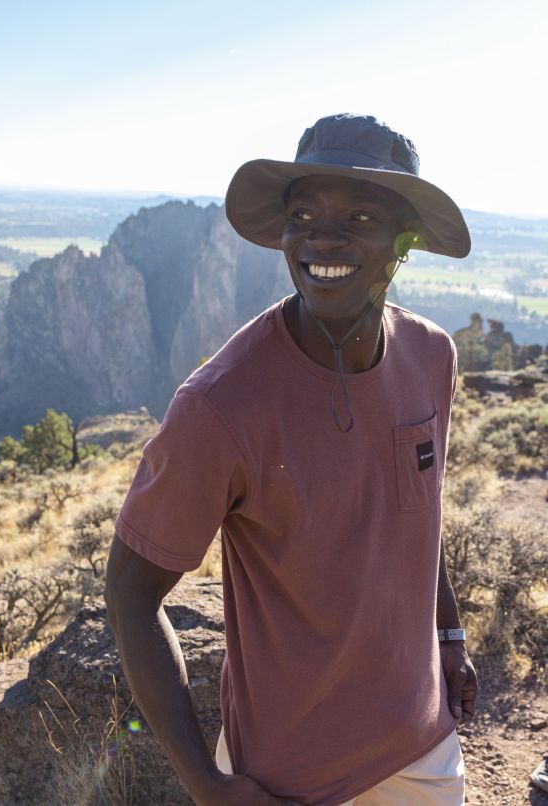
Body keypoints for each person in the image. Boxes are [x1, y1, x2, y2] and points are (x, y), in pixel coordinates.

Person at [105, 113, 478, 805]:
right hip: (289, 782)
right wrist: (208, 785)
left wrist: (448, 633)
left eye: (358, 215)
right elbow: (130, 595)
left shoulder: (432, 356)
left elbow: (417, 509)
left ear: (404, 242)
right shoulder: (221, 406)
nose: (322, 238)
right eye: (304, 214)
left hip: (427, 752)